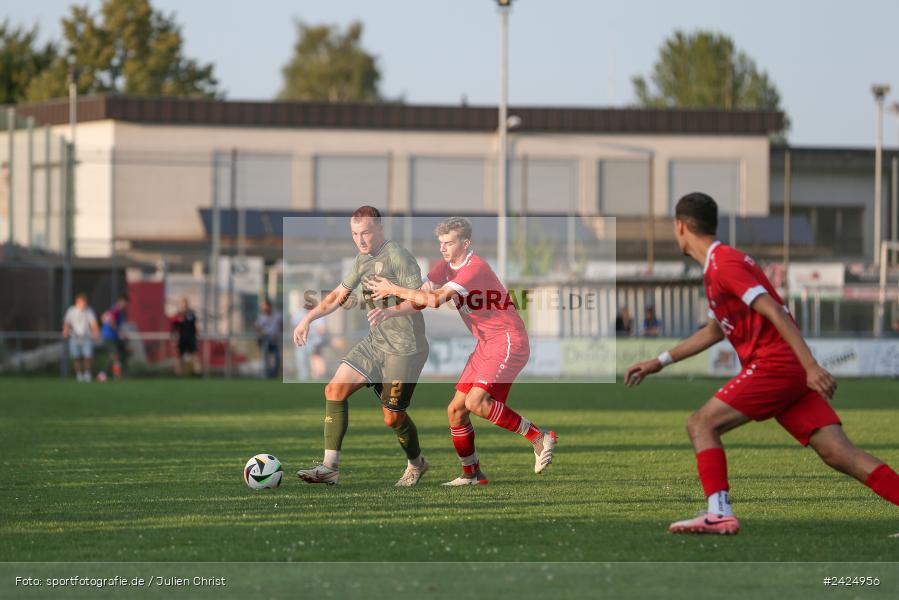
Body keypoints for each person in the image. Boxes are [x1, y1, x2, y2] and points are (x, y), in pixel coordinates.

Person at [624, 192, 899, 535]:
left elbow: (772, 308)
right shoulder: (717, 268)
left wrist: (810, 365)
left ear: (680, 227)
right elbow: (712, 332)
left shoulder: (724, 264)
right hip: (786, 369)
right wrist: (659, 361)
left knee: (701, 424)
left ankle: (719, 512)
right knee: (837, 452)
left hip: (776, 366)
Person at [366, 216, 556, 486]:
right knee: (456, 411)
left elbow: (432, 300)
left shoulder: (474, 268)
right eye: (440, 243)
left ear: (465, 243)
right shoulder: (444, 267)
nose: (443, 248)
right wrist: (390, 311)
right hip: (486, 344)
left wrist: (393, 289)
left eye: (449, 243)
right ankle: (472, 474)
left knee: (475, 403)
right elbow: (420, 297)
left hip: (507, 340)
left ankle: (538, 437)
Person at [292, 206, 430, 486]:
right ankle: (330, 468)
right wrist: (308, 317)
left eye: (365, 232)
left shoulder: (399, 257)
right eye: (355, 234)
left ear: (380, 228)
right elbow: (338, 296)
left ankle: (416, 464)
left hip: (404, 348)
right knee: (334, 389)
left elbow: (420, 300)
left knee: (392, 419)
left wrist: (391, 311)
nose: (361, 239)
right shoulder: (360, 260)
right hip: (375, 343)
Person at [63, 293, 100, 382]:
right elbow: (67, 323)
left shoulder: (89, 310)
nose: (84, 304)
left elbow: (93, 323)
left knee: (88, 356)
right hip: (74, 338)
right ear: (77, 302)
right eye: (82, 302)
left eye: (85, 302)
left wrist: (96, 332)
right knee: (76, 357)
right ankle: (79, 375)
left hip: (86, 337)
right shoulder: (71, 311)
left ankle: (87, 374)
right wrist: (66, 331)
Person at [170, 297, 201, 376]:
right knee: (179, 356)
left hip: (191, 337)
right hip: (181, 338)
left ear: (187, 304)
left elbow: (195, 325)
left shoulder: (191, 313)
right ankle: (178, 373)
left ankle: (198, 373)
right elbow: (173, 327)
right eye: (181, 303)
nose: (182, 305)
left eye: (184, 303)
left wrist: (197, 333)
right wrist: (173, 336)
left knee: (194, 355)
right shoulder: (177, 315)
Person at [100, 295, 129, 379]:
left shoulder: (117, 311)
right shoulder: (115, 310)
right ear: (121, 302)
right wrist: (120, 332)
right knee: (115, 355)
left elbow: (103, 317)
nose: (125, 305)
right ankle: (110, 374)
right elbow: (112, 322)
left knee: (120, 354)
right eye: (124, 303)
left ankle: (111, 374)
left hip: (114, 337)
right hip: (109, 336)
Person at [255, 300, 283, 379]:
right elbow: (257, 328)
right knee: (266, 358)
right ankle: (267, 375)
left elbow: (281, 326)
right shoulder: (260, 317)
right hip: (265, 340)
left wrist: (278, 334)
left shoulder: (277, 315)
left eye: (266, 306)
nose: (264, 308)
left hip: (275, 340)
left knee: (277, 357)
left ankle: (275, 374)